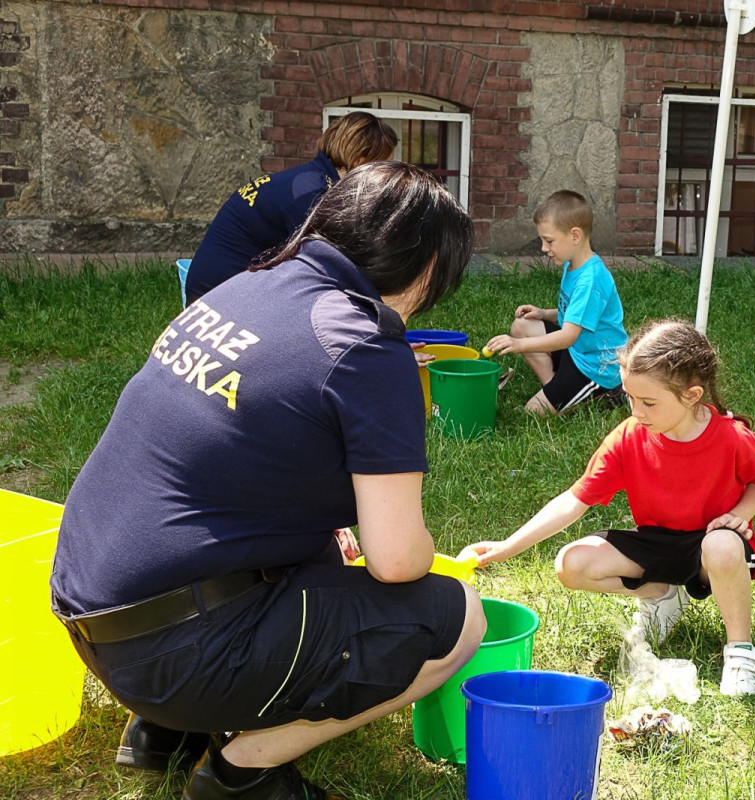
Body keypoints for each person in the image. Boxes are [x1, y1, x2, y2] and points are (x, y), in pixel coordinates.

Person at [50, 162, 486, 800]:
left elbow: (243, 458)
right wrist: (420, 554)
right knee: (460, 619)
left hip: (88, 612)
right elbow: (395, 560)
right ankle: (241, 770)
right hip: (175, 654)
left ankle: (162, 732)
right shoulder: (365, 344)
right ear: (425, 271)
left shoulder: (244, 286)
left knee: (310, 547)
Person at [463, 320, 755, 696]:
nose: (637, 410)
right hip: (656, 543)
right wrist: (507, 546)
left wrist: (739, 516)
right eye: (630, 397)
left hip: (711, 547)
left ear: (693, 395)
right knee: (571, 563)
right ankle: (660, 595)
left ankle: (740, 651)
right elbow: (574, 500)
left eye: (649, 402)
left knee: (723, 545)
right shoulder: (630, 435)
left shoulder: (731, 436)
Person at [184, 111, 398, 304]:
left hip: (221, 289)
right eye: (384, 165)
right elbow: (330, 268)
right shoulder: (310, 192)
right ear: (360, 160)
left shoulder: (308, 180)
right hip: (219, 299)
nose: (385, 175)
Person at [484, 190, 627, 415]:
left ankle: (604, 394)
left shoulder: (590, 280)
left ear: (575, 236)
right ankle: (554, 388)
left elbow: (568, 335)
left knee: (532, 412)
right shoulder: (573, 265)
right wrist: (544, 314)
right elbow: (575, 315)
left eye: (549, 241)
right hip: (577, 349)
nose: (543, 248)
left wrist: (518, 345)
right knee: (522, 325)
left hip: (595, 367)